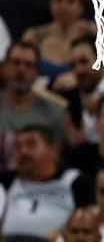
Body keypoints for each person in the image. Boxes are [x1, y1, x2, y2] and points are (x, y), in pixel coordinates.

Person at [0, 126, 92, 240]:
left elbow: (91, 223)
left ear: (54, 151)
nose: (23, 151)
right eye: (18, 147)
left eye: (31, 144)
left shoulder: (75, 180)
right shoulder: (6, 182)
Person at [0, 40, 68, 169]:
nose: (21, 70)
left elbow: (56, 157)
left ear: (37, 72)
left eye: (28, 65)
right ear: (4, 67)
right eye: (16, 63)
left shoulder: (54, 111)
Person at [22, 0, 96, 88]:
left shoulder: (93, 32)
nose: (64, 6)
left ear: (81, 6)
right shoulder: (34, 36)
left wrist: (79, 78)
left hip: (84, 91)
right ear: (50, 3)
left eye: (71, 1)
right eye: (58, 0)